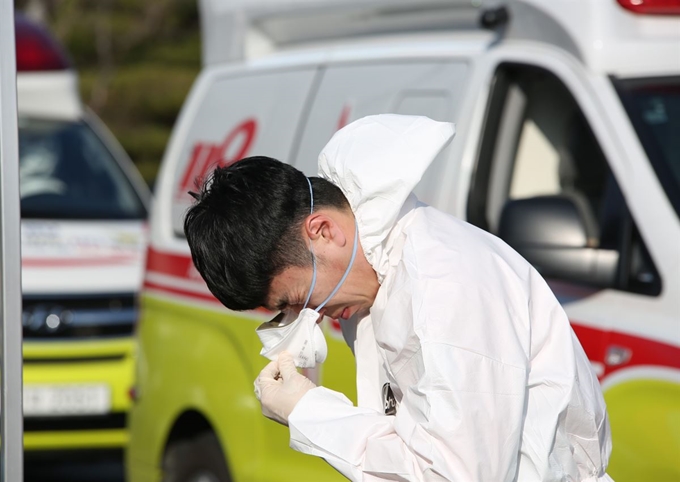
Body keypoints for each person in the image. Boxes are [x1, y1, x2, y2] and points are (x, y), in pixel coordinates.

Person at [183, 114, 613, 481]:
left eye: (297, 299)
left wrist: (312, 414)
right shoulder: (376, 274)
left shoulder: (443, 285)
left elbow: (452, 473)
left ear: (324, 231)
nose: (309, 316)